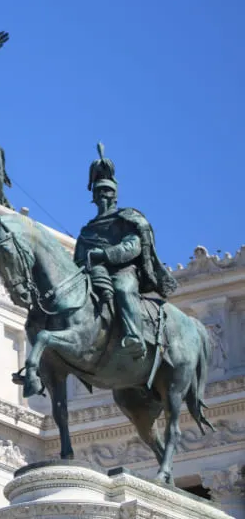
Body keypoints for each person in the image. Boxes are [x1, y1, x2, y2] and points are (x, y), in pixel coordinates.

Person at [74, 143, 177, 359]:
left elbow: (133, 245)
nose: (103, 195)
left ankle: (133, 335)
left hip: (124, 271)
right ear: (93, 196)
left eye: (107, 191)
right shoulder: (87, 230)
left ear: (114, 195)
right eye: (99, 191)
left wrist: (105, 254)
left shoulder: (127, 218)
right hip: (94, 274)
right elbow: (79, 258)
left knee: (122, 289)